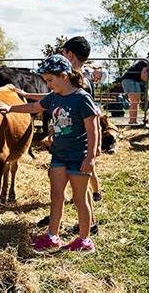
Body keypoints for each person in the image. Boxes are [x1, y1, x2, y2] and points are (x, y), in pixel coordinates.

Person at [0, 55, 98, 252]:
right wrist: (11, 108)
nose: (48, 85)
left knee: (79, 199)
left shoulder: (82, 98)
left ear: (64, 76)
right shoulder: (54, 97)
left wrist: (90, 158)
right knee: (56, 196)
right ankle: (53, 236)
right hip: (58, 155)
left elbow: (93, 130)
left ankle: (84, 240)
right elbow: (34, 106)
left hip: (79, 157)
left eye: (50, 80)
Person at [61, 36, 103, 204]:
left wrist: (96, 142)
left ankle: (88, 222)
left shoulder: (78, 80)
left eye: (63, 53)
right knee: (85, 169)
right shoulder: (84, 78)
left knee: (83, 171)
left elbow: (92, 114)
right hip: (81, 134)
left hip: (81, 135)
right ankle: (96, 192)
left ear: (69, 55)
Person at [120, 49, 149, 124]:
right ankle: (132, 121)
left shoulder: (146, 62)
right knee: (135, 102)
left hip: (131, 81)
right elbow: (143, 75)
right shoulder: (148, 61)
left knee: (135, 102)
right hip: (131, 81)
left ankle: (134, 121)